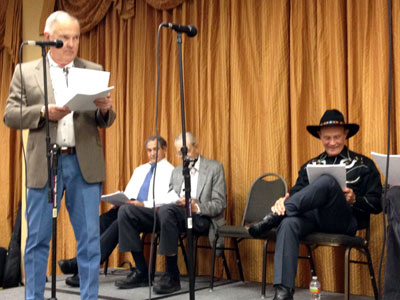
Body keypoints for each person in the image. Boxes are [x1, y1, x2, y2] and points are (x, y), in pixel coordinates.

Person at [3, 11, 116, 300]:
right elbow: (9, 115)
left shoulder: (92, 69)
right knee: (38, 239)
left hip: (83, 164)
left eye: (76, 37)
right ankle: (34, 297)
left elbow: (105, 119)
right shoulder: (25, 71)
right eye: (64, 38)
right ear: (47, 38)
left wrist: (104, 109)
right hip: (45, 163)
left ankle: (89, 297)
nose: (71, 43)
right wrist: (43, 112)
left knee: (90, 240)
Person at [248, 109, 382, 300]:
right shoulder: (311, 165)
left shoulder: (364, 164)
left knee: (328, 181)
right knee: (288, 224)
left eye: (337, 137)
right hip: (313, 219)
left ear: (346, 134)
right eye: (327, 138)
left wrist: (355, 199)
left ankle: (274, 218)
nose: (333, 142)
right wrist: (282, 200)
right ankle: (283, 292)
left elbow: (377, 204)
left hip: (344, 222)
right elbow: (295, 193)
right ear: (320, 136)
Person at [117, 132, 226, 294]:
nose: (182, 156)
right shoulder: (176, 172)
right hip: (172, 213)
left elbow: (219, 203)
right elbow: (168, 198)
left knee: (168, 211)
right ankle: (141, 271)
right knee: (126, 211)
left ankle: (172, 274)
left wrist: (196, 206)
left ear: (196, 147)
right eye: (179, 153)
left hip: (199, 216)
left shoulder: (214, 168)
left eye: (186, 151)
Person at [57, 136, 174, 288]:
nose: (152, 153)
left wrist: (143, 203)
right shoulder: (140, 170)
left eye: (156, 149)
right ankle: (84, 266)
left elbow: (169, 200)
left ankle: (84, 267)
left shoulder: (171, 171)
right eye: (149, 150)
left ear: (164, 149)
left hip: (153, 213)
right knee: (103, 220)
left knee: (123, 217)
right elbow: (129, 192)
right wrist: (119, 202)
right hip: (131, 210)